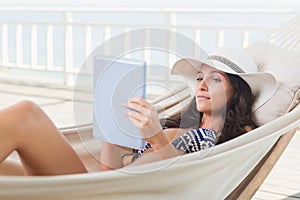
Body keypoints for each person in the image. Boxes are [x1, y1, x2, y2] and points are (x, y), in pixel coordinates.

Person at [0, 47, 277, 175]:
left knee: (27, 115)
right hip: (102, 181)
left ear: (236, 92)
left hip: (101, 193)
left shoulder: (239, 136)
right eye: (200, 78)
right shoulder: (177, 123)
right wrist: (111, 127)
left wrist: (156, 136)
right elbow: (113, 170)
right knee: (8, 174)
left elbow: (178, 177)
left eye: (216, 79)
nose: (202, 85)